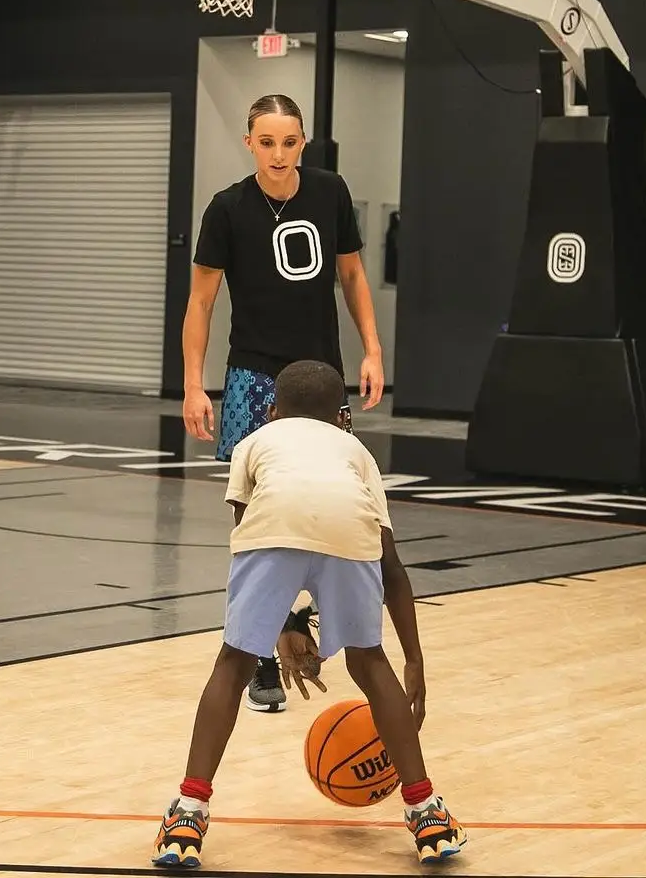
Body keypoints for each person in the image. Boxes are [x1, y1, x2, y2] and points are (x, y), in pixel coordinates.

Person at [152, 360, 467, 868]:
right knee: (369, 662)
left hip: (273, 528)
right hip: (351, 535)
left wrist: (283, 625)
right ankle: (425, 810)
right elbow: (392, 565)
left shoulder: (256, 442)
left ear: (272, 412)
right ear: (343, 417)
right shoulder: (357, 452)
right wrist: (415, 659)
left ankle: (188, 812)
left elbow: (258, 528)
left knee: (233, 664)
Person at [182, 93, 386, 713]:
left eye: (289, 142)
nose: (278, 153)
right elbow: (201, 303)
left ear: (303, 143)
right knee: (252, 518)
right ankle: (259, 654)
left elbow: (351, 276)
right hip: (253, 375)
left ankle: (311, 625)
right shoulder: (226, 209)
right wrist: (195, 383)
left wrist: (373, 350)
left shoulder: (330, 193)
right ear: (249, 142)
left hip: (321, 377)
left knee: (332, 502)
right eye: (266, 142)